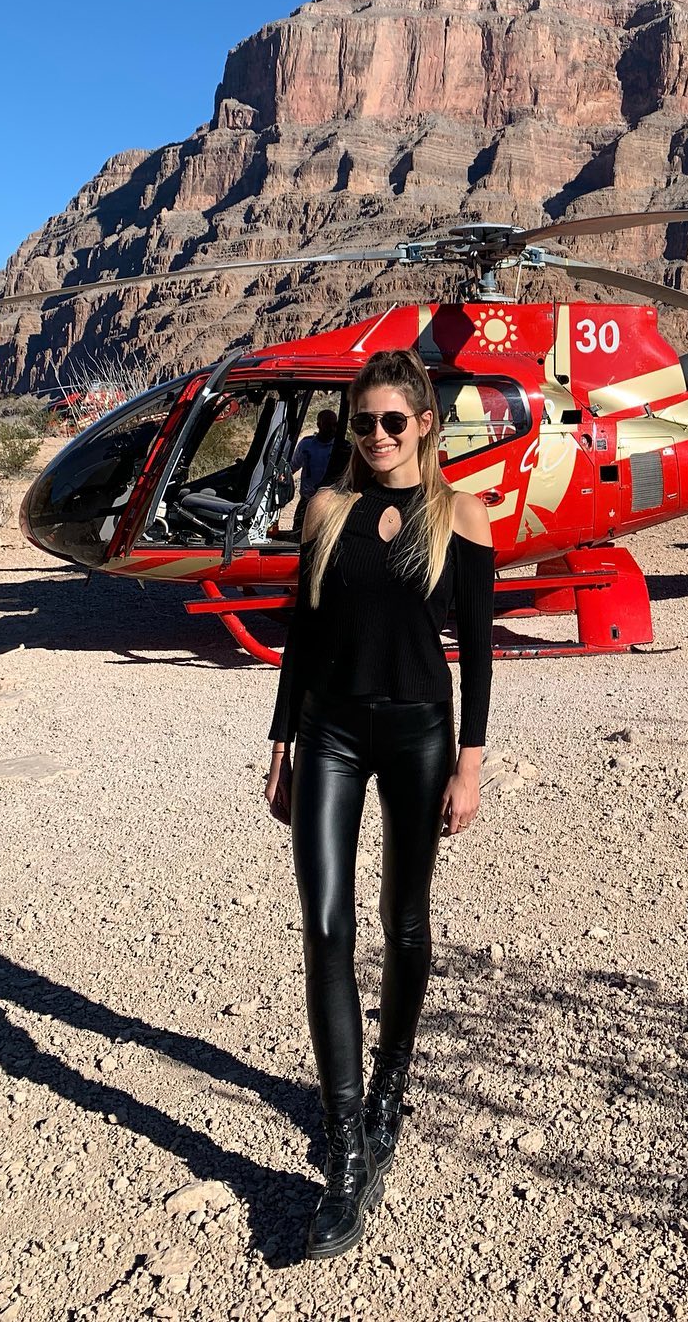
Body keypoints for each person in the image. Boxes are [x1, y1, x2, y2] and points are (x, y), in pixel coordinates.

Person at [263, 349, 495, 1260]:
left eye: (393, 422)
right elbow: (303, 636)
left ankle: (392, 1081)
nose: (377, 438)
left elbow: (477, 653)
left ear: (425, 424)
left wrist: (469, 766)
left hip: (417, 734)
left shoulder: (459, 517)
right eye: (362, 423)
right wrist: (280, 742)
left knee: (405, 920)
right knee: (325, 926)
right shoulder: (325, 510)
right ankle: (348, 1152)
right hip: (326, 731)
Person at [289, 407, 339, 538]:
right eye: (327, 424)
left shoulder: (341, 448)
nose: (332, 428)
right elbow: (293, 467)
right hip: (307, 500)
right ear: (319, 425)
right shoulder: (306, 445)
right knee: (298, 537)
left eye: (335, 425)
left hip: (331, 502)